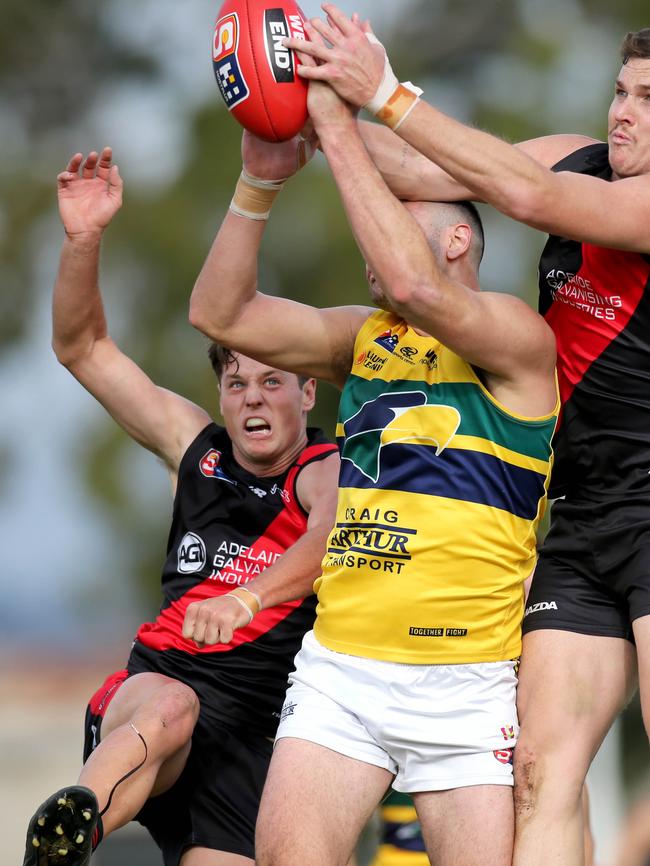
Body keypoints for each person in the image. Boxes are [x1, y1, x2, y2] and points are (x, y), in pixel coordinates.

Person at [283, 9, 650, 866]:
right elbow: (417, 164)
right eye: (621, 91)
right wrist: (299, 101)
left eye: (649, 99)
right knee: (540, 775)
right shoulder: (577, 155)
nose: (623, 112)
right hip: (585, 516)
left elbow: (529, 198)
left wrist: (380, 90)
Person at [187, 60, 558, 863]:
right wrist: (258, 184)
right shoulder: (365, 337)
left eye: (400, 209)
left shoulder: (520, 339)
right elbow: (218, 313)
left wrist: (330, 122)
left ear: (459, 236)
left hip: (465, 682)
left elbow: (415, 284)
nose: (372, 221)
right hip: (343, 669)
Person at [22, 148, 340, 866]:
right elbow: (83, 347)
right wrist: (82, 241)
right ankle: (71, 836)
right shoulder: (194, 448)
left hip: (249, 737)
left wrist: (247, 599)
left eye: (272, 382)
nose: (252, 398)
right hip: (159, 692)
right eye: (236, 384)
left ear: (308, 393)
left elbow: (327, 539)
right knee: (172, 708)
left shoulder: (328, 470)